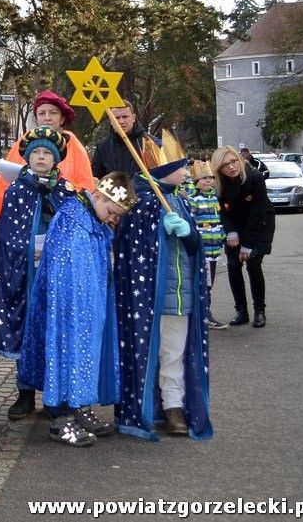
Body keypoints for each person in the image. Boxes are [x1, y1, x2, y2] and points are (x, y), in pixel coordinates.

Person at [19, 172, 137, 447]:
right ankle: (61, 418)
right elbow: (64, 274)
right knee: (67, 354)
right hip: (68, 310)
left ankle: (79, 405)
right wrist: (77, 307)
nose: (113, 220)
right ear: (98, 195)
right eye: (111, 211)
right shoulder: (71, 222)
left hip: (87, 307)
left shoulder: (92, 222)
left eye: (117, 216)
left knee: (84, 355)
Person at [114, 131, 212, 440]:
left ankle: (173, 408)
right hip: (150, 297)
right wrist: (158, 231)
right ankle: (142, 408)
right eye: (181, 166)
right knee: (148, 352)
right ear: (162, 170)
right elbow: (130, 248)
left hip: (180, 297)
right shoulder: (142, 202)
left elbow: (196, 247)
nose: (187, 172)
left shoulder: (180, 201)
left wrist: (187, 233)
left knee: (174, 354)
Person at [0, 126, 75, 421]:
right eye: (36, 152)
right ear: (27, 158)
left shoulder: (66, 191)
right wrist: (27, 249)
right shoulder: (17, 191)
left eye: (46, 153)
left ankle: (56, 397)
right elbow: (7, 236)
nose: (41, 157)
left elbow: (75, 231)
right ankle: (25, 393)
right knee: (27, 329)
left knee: (56, 331)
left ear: (56, 159)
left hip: (57, 274)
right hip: (27, 274)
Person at [0, 90, 94, 218]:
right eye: (42, 113)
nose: (47, 117)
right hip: (25, 216)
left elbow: (85, 187)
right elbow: (3, 184)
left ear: (62, 118)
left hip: (63, 219)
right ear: (36, 118)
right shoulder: (24, 142)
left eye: (53, 113)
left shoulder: (74, 146)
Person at [212, 145, 276, 329]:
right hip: (234, 225)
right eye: (225, 165)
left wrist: (247, 245)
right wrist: (230, 232)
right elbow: (222, 213)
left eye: (233, 161)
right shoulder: (220, 183)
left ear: (239, 160)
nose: (231, 167)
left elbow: (258, 212)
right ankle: (241, 310)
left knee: (253, 264)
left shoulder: (254, 177)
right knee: (233, 265)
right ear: (219, 169)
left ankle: (259, 311)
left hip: (259, 223)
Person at [190, 160, 227, 330]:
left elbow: (220, 222)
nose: (208, 181)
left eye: (210, 178)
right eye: (203, 178)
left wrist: (222, 236)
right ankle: (203, 315)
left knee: (209, 284)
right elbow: (191, 223)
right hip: (201, 251)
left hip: (214, 252)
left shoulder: (215, 198)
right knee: (202, 284)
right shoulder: (194, 200)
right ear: (196, 181)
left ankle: (206, 313)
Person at [90, 101, 148, 178]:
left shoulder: (148, 143)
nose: (121, 122)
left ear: (133, 118)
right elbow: (96, 176)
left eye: (125, 117)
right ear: (111, 120)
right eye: (117, 118)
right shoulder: (103, 146)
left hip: (142, 189)